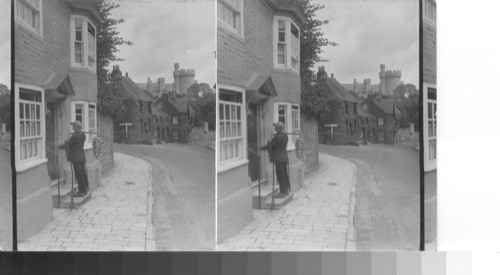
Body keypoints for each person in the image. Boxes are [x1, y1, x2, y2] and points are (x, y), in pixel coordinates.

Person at [261, 122, 290, 198]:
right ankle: (286, 190)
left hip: (279, 158)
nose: (274, 128)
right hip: (284, 157)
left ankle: (282, 192)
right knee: (284, 174)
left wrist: (260, 148)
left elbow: (270, 145)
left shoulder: (276, 137)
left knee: (280, 175)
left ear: (279, 128)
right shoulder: (285, 136)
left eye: (276, 127)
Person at [60, 121, 89, 197]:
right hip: (81, 156)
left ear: (77, 127)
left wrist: (59, 146)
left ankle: (82, 191)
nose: (72, 127)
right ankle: (85, 188)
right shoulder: (83, 135)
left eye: (74, 126)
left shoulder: (75, 136)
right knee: (83, 173)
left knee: (79, 174)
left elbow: (68, 144)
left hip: (76, 158)